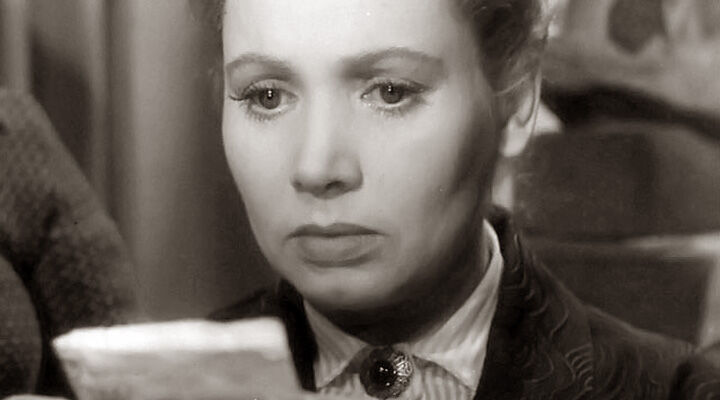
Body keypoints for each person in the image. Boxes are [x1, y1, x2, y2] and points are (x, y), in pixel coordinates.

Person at [203, 0, 720, 399]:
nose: (316, 168)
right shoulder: (167, 386)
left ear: (517, 101)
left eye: (390, 91)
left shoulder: (674, 391)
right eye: (266, 96)